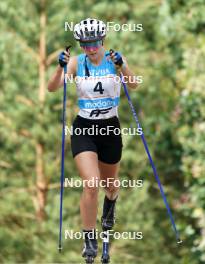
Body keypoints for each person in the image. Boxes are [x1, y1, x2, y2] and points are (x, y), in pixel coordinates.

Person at [48, 18, 137, 261]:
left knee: (110, 185)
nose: (90, 48)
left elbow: (135, 84)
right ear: (80, 45)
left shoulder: (114, 60)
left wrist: (123, 67)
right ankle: (89, 240)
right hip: (84, 128)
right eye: (85, 44)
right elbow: (52, 88)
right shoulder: (76, 63)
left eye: (95, 42)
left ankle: (111, 206)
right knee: (91, 183)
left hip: (109, 129)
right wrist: (59, 68)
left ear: (102, 40)